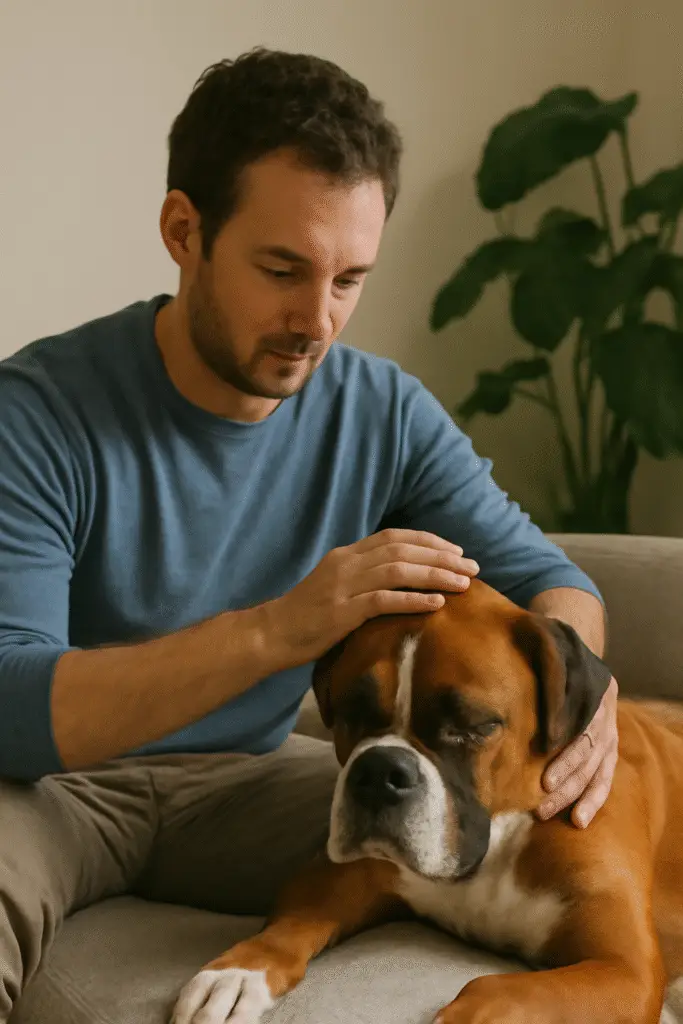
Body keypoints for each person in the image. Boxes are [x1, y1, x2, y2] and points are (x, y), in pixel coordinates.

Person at [0, 46, 618, 1019]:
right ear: (183, 230)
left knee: (542, 818)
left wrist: (581, 697)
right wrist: (279, 631)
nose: (315, 320)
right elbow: (9, 704)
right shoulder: (36, 413)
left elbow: (548, 578)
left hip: (252, 786)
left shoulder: (380, 410)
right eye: (282, 269)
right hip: (53, 791)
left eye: (348, 278)